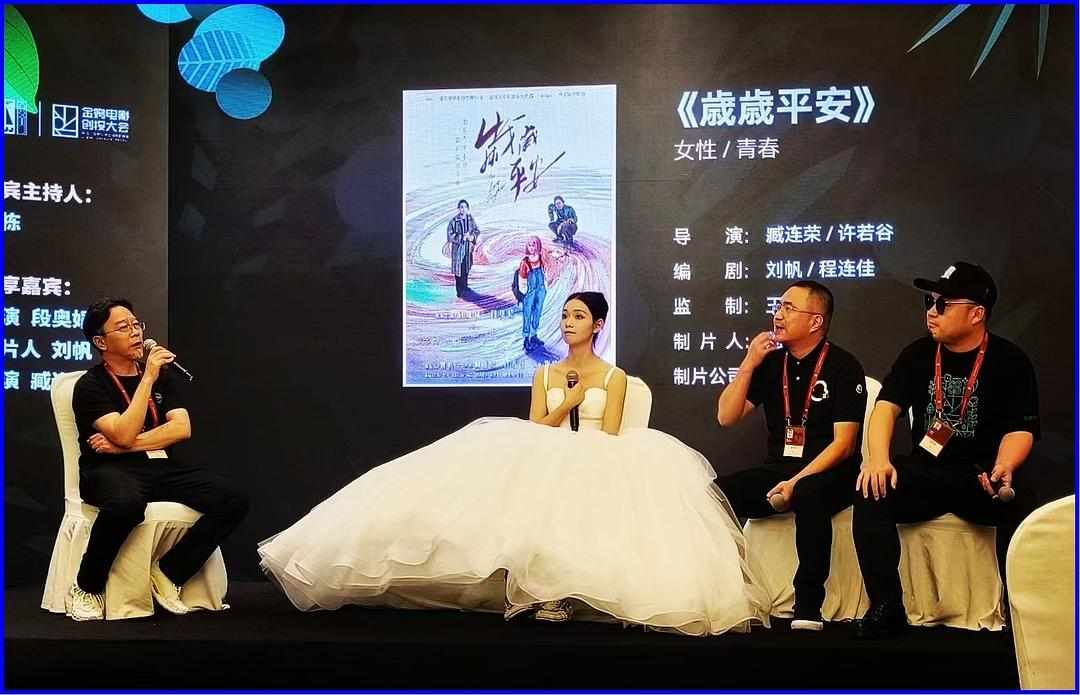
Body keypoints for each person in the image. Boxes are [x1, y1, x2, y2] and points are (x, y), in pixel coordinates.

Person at [259, 292, 771, 636]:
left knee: (582, 492)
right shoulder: (546, 373)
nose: (568, 323)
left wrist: (583, 407)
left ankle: (569, 592)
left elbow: (612, 432)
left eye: (578, 316)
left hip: (600, 454)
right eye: (565, 315)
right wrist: (569, 403)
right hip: (548, 444)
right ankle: (531, 588)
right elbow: (537, 424)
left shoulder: (614, 377)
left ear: (597, 325)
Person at [850, 262, 1040, 638]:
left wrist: (1004, 465)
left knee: (1020, 500)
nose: (931, 312)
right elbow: (885, 408)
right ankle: (887, 604)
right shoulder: (918, 354)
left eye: (942, 304)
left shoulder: (1010, 360)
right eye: (929, 301)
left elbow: (1020, 428)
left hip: (980, 475)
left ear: (976, 313)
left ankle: (1018, 608)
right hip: (926, 472)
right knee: (870, 491)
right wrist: (878, 460)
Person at [66, 297, 249, 621]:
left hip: (157, 466)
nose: (135, 332)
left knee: (233, 498)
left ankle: (168, 573)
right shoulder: (91, 385)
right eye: (123, 327)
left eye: (136, 324)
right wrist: (147, 379)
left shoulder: (164, 378)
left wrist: (124, 446)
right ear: (100, 342)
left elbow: (180, 429)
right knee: (126, 505)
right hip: (107, 470)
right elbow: (123, 431)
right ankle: (86, 587)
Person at [716, 281, 867, 631]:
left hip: (832, 472)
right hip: (779, 469)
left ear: (815, 321)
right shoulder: (772, 364)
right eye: (778, 307)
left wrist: (795, 481)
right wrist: (749, 362)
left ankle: (808, 605)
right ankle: (729, 592)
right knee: (714, 495)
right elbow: (726, 416)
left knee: (809, 493)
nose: (778, 315)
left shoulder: (844, 366)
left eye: (788, 308)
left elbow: (844, 445)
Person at [518, 235, 547, 351]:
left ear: (538, 246)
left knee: (537, 312)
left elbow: (544, 271)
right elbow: (522, 279)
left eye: (533, 245)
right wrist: (525, 291)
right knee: (527, 314)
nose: (531, 248)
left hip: (540, 290)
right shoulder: (525, 262)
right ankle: (526, 339)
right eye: (529, 245)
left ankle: (534, 336)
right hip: (529, 292)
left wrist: (544, 287)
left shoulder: (540, 258)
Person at [447, 199, 479, 297]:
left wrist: (471, 237)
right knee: (458, 270)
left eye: (465, 207)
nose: (463, 209)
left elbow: (476, 230)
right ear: (458, 208)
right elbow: (450, 235)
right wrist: (461, 237)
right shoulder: (454, 221)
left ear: (468, 208)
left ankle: (465, 286)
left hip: (468, 248)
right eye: (461, 207)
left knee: (466, 268)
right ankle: (459, 290)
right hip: (458, 249)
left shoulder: (470, 219)